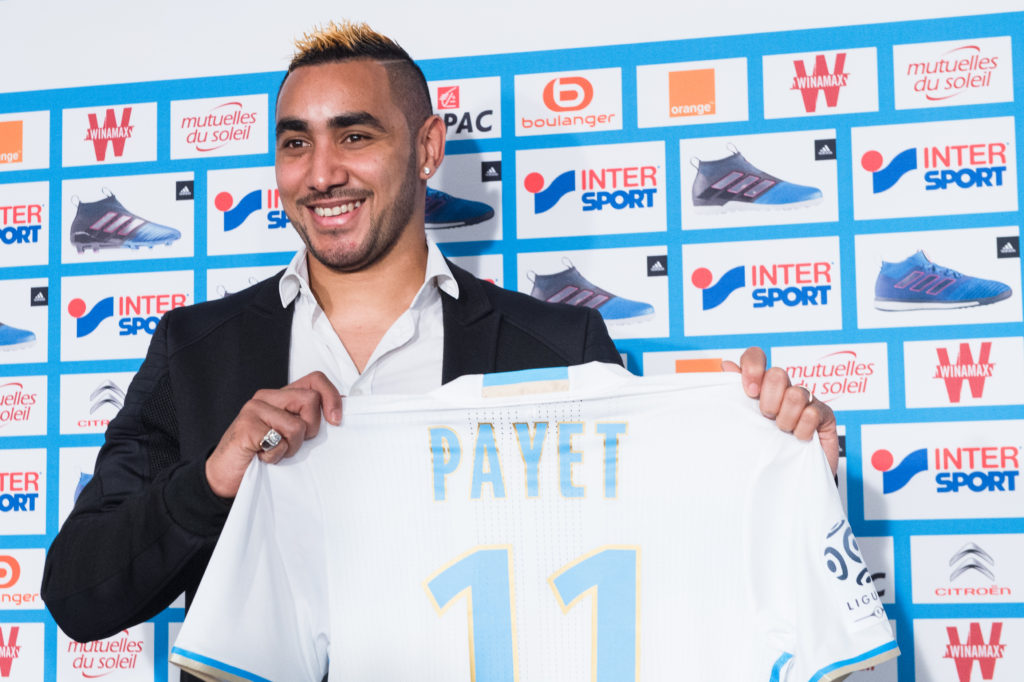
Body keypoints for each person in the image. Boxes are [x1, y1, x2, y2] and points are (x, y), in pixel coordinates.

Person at [41, 20, 837, 666]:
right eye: (295, 143)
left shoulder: (556, 342)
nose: (320, 173)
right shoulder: (195, 347)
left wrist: (781, 469)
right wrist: (214, 479)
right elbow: (80, 594)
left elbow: (653, 573)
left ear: (426, 149)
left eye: (354, 137)